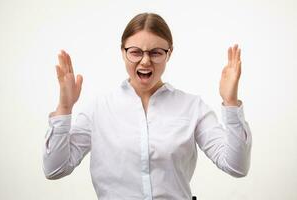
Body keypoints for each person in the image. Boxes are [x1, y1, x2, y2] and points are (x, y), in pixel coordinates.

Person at [43, 12, 252, 200]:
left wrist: (231, 103)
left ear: (169, 53)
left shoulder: (192, 107)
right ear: (122, 52)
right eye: (135, 52)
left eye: (155, 52)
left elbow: (236, 167)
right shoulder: (98, 109)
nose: (145, 62)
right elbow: (55, 169)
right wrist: (64, 107)